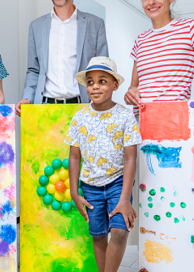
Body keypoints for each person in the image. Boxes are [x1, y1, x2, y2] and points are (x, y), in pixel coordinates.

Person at [65, 57, 142, 272]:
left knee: (120, 230)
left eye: (102, 81)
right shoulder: (79, 118)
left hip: (118, 183)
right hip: (90, 186)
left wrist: (125, 198)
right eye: (90, 82)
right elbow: (74, 157)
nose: (95, 87)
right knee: (98, 235)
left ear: (115, 85)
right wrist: (74, 192)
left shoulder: (125, 116)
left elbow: (130, 158)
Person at [15, 0, 108, 116]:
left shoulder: (95, 24)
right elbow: (33, 70)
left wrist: (99, 98)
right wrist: (27, 97)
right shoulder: (36, 26)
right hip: (45, 109)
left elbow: (103, 69)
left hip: (83, 107)